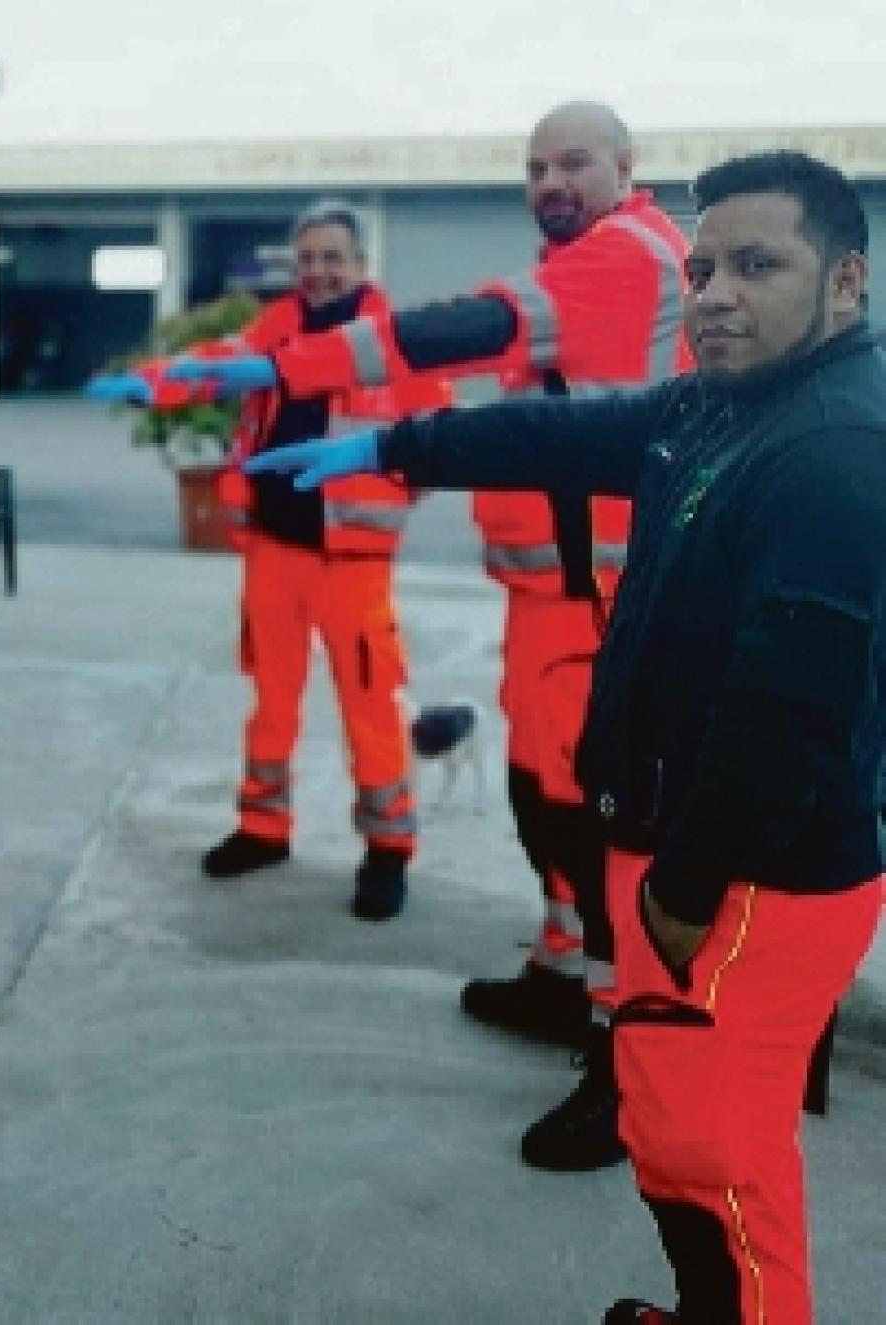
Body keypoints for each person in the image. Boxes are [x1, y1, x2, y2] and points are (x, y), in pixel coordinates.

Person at [250, 148, 885, 1325]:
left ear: (844, 282)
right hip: (686, 852)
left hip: (743, 881)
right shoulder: (724, 402)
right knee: (693, 1132)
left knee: (712, 1154)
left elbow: (792, 702)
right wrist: (395, 448)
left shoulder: (835, 449)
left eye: (757, 264)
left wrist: (685, 886)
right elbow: (563, 436)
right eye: (701, 268)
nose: (714, 294)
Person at [169, 101, 691, 1172]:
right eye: (534, 164)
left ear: (625, 168)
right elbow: (520, 426)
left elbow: (465, 330)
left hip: (601, 602)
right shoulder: (599, 260)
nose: (549, 179)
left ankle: (625, 1067)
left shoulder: (621, 258)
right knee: (544, 805)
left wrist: (289, 370)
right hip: (550, 597)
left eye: (573, 160)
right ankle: (561, 978)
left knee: (596, 831)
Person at [88, 202, 450, 919]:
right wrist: (153, 380)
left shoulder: (393, 338)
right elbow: (215, 366)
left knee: (370, 704)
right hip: (274, 552)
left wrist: (386, 492)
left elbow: (434, 434)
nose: (318, 271)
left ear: (359, 265)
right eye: (307, 258)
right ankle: (263, 825)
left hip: (352, 560)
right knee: (271, 698)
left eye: (332, 258)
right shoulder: (275, 326)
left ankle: (387, 850)